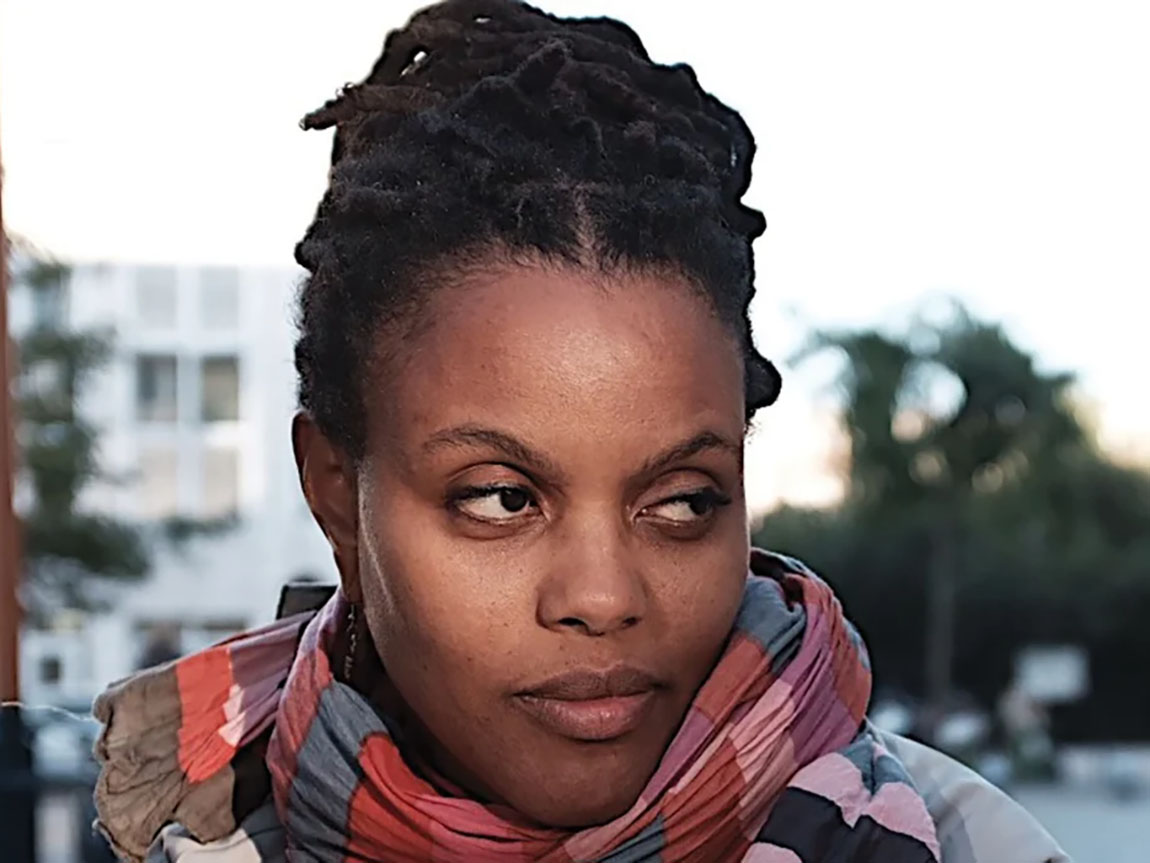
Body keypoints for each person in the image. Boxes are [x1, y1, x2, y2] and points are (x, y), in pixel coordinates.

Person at [90, 2, 1070, 861]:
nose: (603, 597)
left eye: (683, 501)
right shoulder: (183, 822)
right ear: (337, 493)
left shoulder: (948, 841)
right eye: (502, 497)